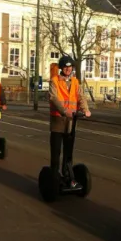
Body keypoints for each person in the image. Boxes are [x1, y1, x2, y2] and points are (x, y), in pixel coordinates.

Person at [49, 55, 91, 189]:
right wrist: (63, 111)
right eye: (66, 67)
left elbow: (80, 96)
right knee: (56, 153)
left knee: (68, 152)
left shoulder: (75, 81)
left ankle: (68, 176)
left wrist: (85, 109)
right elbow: (53, 98)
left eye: (70, 67)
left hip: (71, 122)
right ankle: (54, 178)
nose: (68, 69)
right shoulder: (54, 81)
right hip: (58, 121)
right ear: (62, 68)